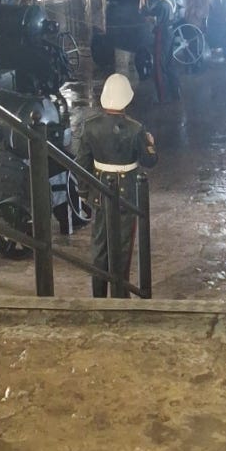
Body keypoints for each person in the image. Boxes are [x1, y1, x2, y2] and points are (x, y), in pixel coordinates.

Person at [75, 72, 157, 297]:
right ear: (126, 99)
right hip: (127, 194)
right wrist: (150, 144)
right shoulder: (136, 129)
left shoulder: (89, 126)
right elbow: (150, 161)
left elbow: (81, 163)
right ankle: (120, 296)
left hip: (99, 191)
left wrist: (83, 191)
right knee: (122, 250)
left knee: (99, 248)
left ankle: (99, 297)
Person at [139, 0, 181, 101]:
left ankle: (163, 97)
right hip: (170, 32)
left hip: (162, 34)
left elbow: (144, 13)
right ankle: (175, 93)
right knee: (169, 64)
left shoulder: (161, 4)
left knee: (158, 66)